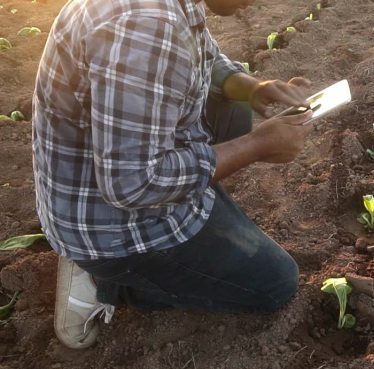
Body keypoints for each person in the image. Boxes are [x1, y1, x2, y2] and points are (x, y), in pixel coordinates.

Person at [32, 0, 314, 349]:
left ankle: (189, 222)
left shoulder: (173, 7)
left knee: (235, 109)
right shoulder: (146, 25)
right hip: (112, 226)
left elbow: (201, 54)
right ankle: (104, 280)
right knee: (275, 284)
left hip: (100, 174)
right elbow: (132, 184)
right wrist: (257, 146)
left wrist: (252, 88)